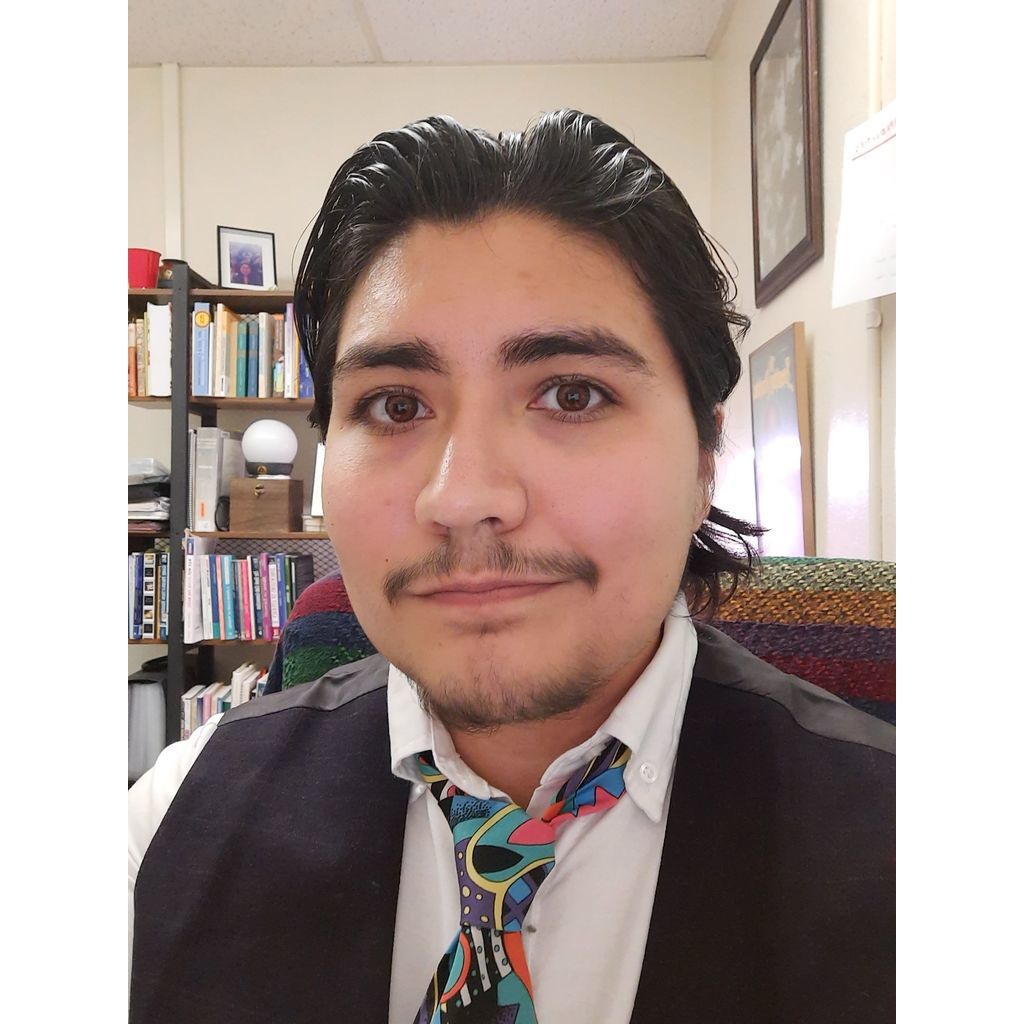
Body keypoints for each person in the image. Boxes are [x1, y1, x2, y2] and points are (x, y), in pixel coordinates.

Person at [128, 110, 894, 1023]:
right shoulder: (172, 824)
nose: (464, 497)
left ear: (702, 462)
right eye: (396, 405)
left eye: (573, 394)